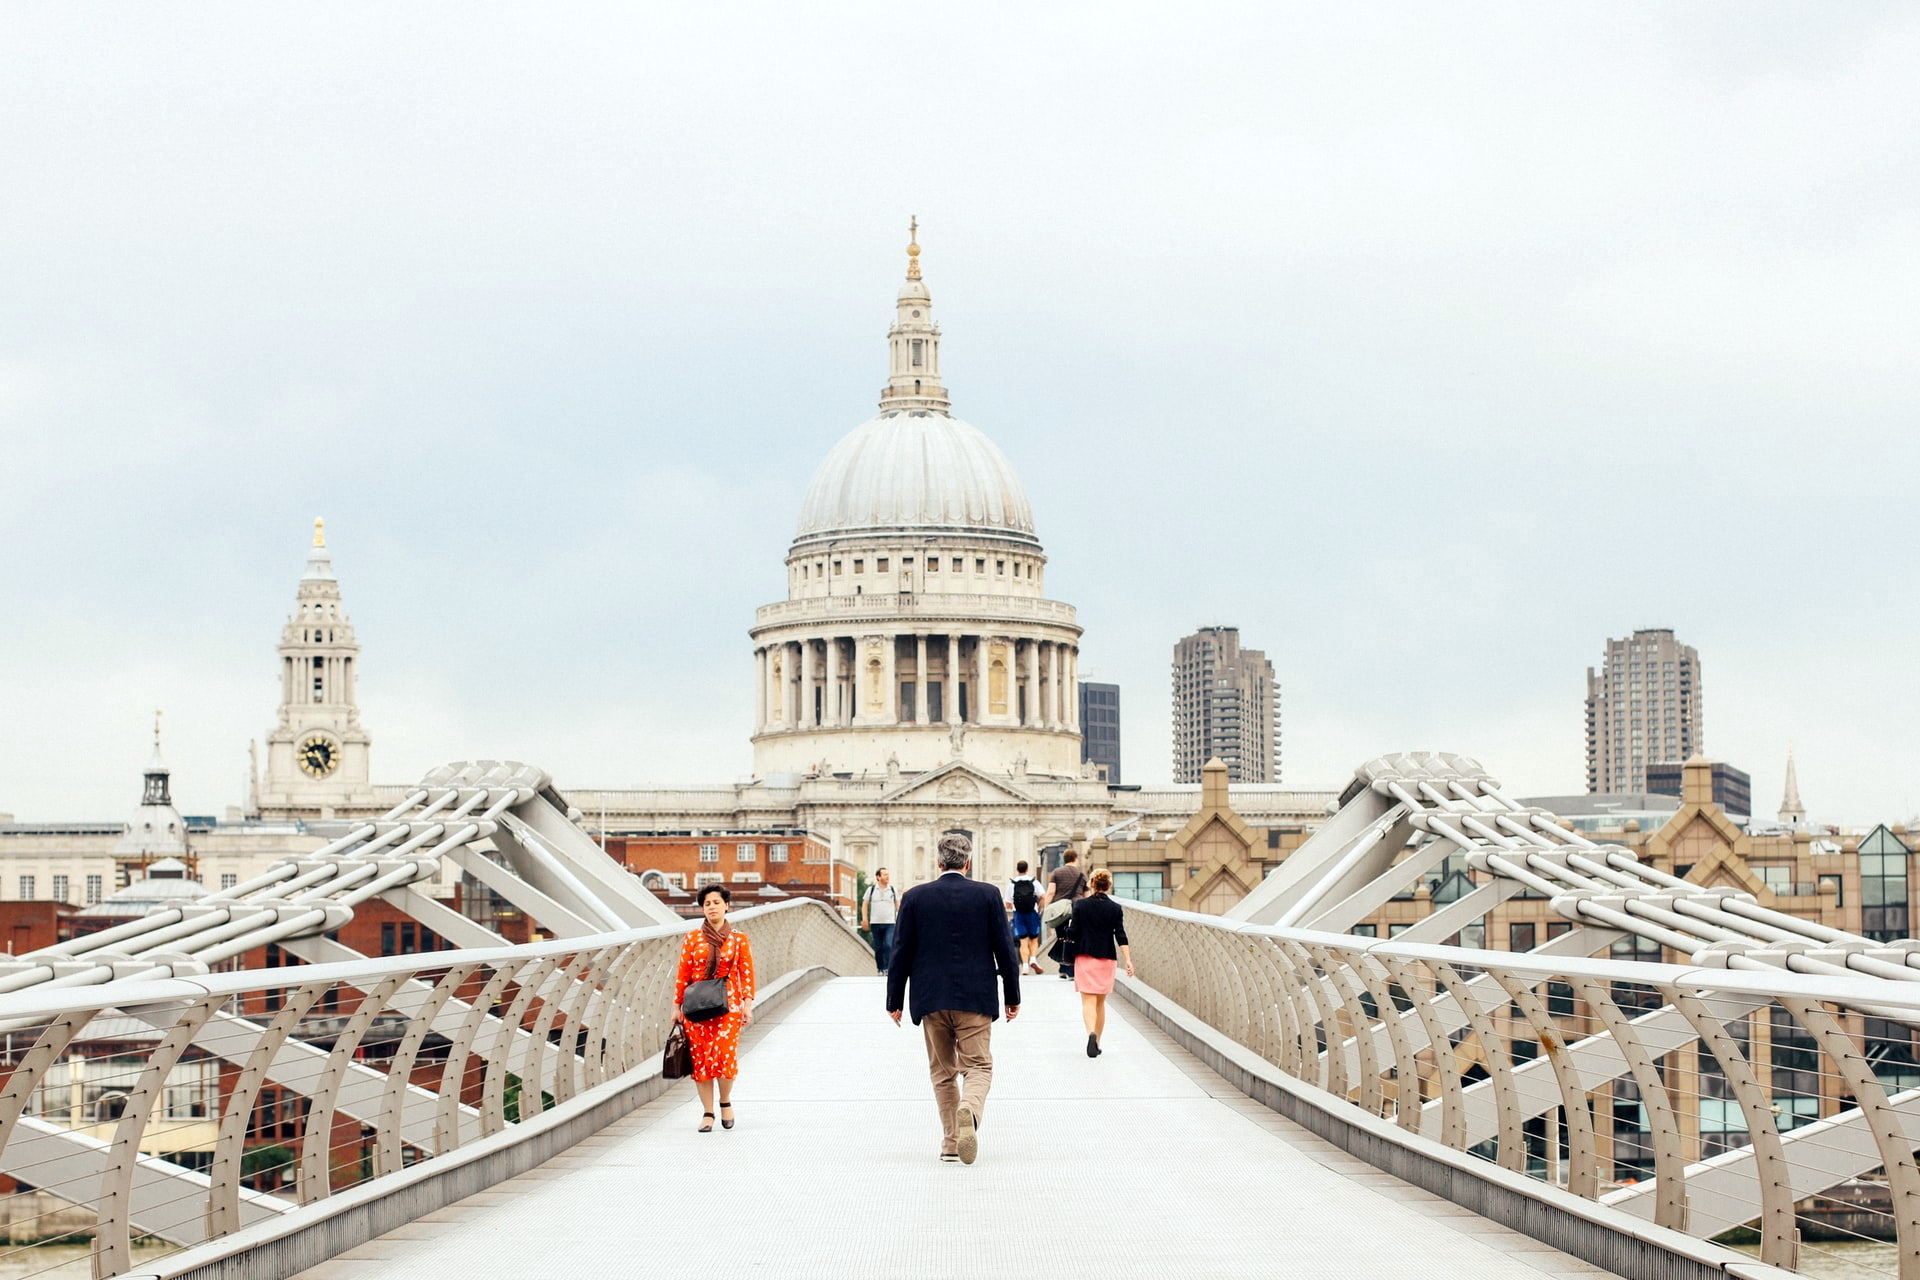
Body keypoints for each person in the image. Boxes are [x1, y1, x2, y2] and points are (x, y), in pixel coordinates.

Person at [885, 833, 1021, 1165]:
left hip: (930, 997)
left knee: (943, 1072)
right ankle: (969, 1110)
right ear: (968, 862)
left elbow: (900, 951)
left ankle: (950, 1142)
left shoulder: (914, 897)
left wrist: (894, 1000)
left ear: (938, 862)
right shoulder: (988, 895)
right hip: (976, 996)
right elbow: (1005, 949)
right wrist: (1012, 996)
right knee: (979, 1066)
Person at [673, 884, 757, 1132]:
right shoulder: (692, 938)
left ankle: (725, 1101)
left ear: (727, 905)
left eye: (716, 902)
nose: (712, 907)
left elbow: (747, 973)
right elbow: (683, 974)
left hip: (728, 1005)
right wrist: (677, 1006)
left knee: (724, 1056)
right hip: (697, 1006)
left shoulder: (738, 938)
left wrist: (747, 1004)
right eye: (707, 904)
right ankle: (707, 1113)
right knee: (701, 1061)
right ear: (702, 908)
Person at [1069, 868, 1133, 1057]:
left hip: (1085, 956)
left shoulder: (1081, 906)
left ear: (1092, 884)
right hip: (1106, 958)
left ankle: (1090, 1033)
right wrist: (1128, 960)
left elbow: (1073, 932)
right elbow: (1120, 935)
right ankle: (1097, 1042)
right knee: (1100, 1002)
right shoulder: (1115, 908)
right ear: (1109, 885)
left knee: (1088, 1001)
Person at [1041, 849, 1089, 980]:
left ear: (1064, 859)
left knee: (1062, 936)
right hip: (1077, 909)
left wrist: (1047, 909)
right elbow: (1086, 896)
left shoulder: (1057, 872)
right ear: (1076, 859)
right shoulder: (1082, 875)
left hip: (1060, 910)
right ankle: (1071, 969)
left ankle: (1063, 968)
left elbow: (1050, 892)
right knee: (1074, 938)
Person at [1005, 860, 1044, 975]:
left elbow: (1007, 903)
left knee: (1023, 941)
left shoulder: (1012, 883)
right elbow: (1043, 895)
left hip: (1018, 914)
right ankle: (1033, 958)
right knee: (1034, 939)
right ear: (1027, 869)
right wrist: (1040, 907)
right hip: (1032, 913)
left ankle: (1025, 967)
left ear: (1017, 870)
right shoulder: (1034, 882)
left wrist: (1015, 905)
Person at [860, 867, 900, 975]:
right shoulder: (871, 890)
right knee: (878, 948)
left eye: (888, 874)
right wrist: (864, 919)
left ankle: (887, 967)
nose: (888, 877)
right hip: (875, 923)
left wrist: (900, 918)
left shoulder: (892, 890)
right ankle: (880, 968)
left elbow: (898, 906)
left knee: (888, 945)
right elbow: (865, 904)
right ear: (878, 877)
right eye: (885, 875)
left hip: (890, 923)